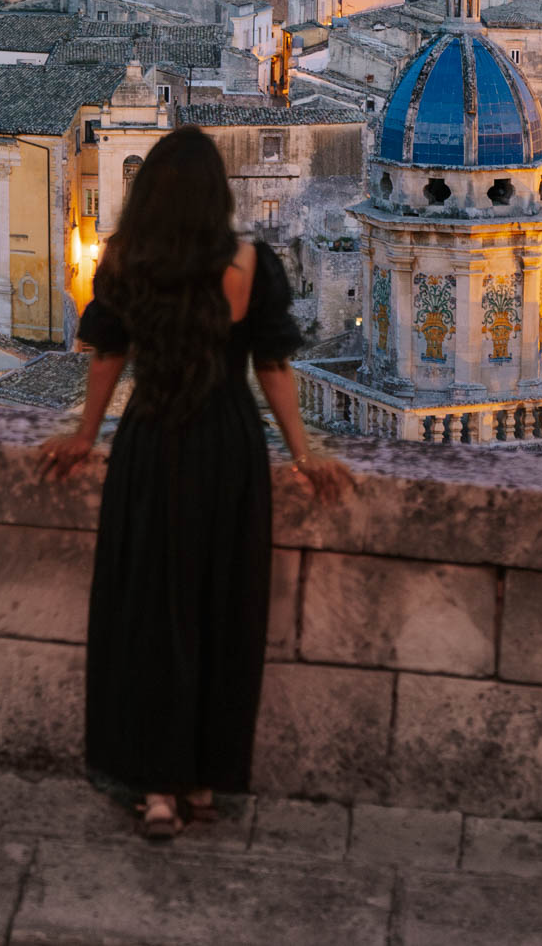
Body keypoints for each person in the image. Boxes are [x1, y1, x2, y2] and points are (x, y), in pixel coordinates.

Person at [38, 125, 351, 840]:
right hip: (230, 450)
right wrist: (304, 453)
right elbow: (272, 367)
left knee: (151, 614)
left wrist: (85, 436)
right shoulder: (250, 262)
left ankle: (156, 791)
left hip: (154, 445)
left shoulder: (126, 262)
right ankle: (205, 780)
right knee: (222, 612)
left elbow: (107, 358)